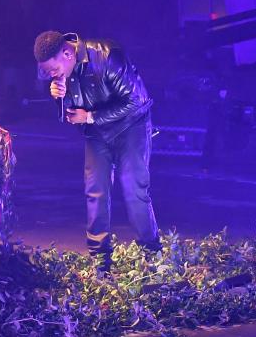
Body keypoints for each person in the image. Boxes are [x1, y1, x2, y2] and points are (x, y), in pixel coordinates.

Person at [34, 31, 161, 272]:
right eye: (47, 72)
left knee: (133, 187)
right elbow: (68, 117)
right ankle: (99, 259)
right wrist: (59, 98)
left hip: (131, 124)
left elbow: (134, 100)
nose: (51, 75)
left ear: (67, 53)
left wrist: (91, 116)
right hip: (96, 130)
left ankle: (151, 253)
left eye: (53, 70)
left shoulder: (106, 55)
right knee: (95, 189)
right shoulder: (64, 72)